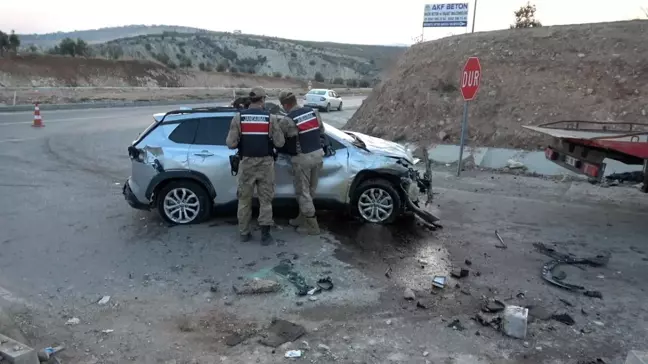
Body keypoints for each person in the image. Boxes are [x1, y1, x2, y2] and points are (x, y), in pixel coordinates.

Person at [226, 87, 285, 244]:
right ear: (263, 100)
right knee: (265, 200)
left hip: (246, 163)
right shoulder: (270, 119)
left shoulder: (239, 118)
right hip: (266, 163)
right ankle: (265, 236)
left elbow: (230, 144)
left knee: (244, 200)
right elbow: (280, 142)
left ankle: (244, 233)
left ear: (250, 100)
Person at [276, 90, 328, 235]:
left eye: (283, 105)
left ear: (286, 104)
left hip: (302, 159)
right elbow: (321, 130)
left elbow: (279, 141)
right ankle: (302, 218)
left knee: (302, 192)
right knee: (311, 190)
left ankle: (312, 226)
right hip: (318, 155)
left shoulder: (287, 120)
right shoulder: (313, 112)